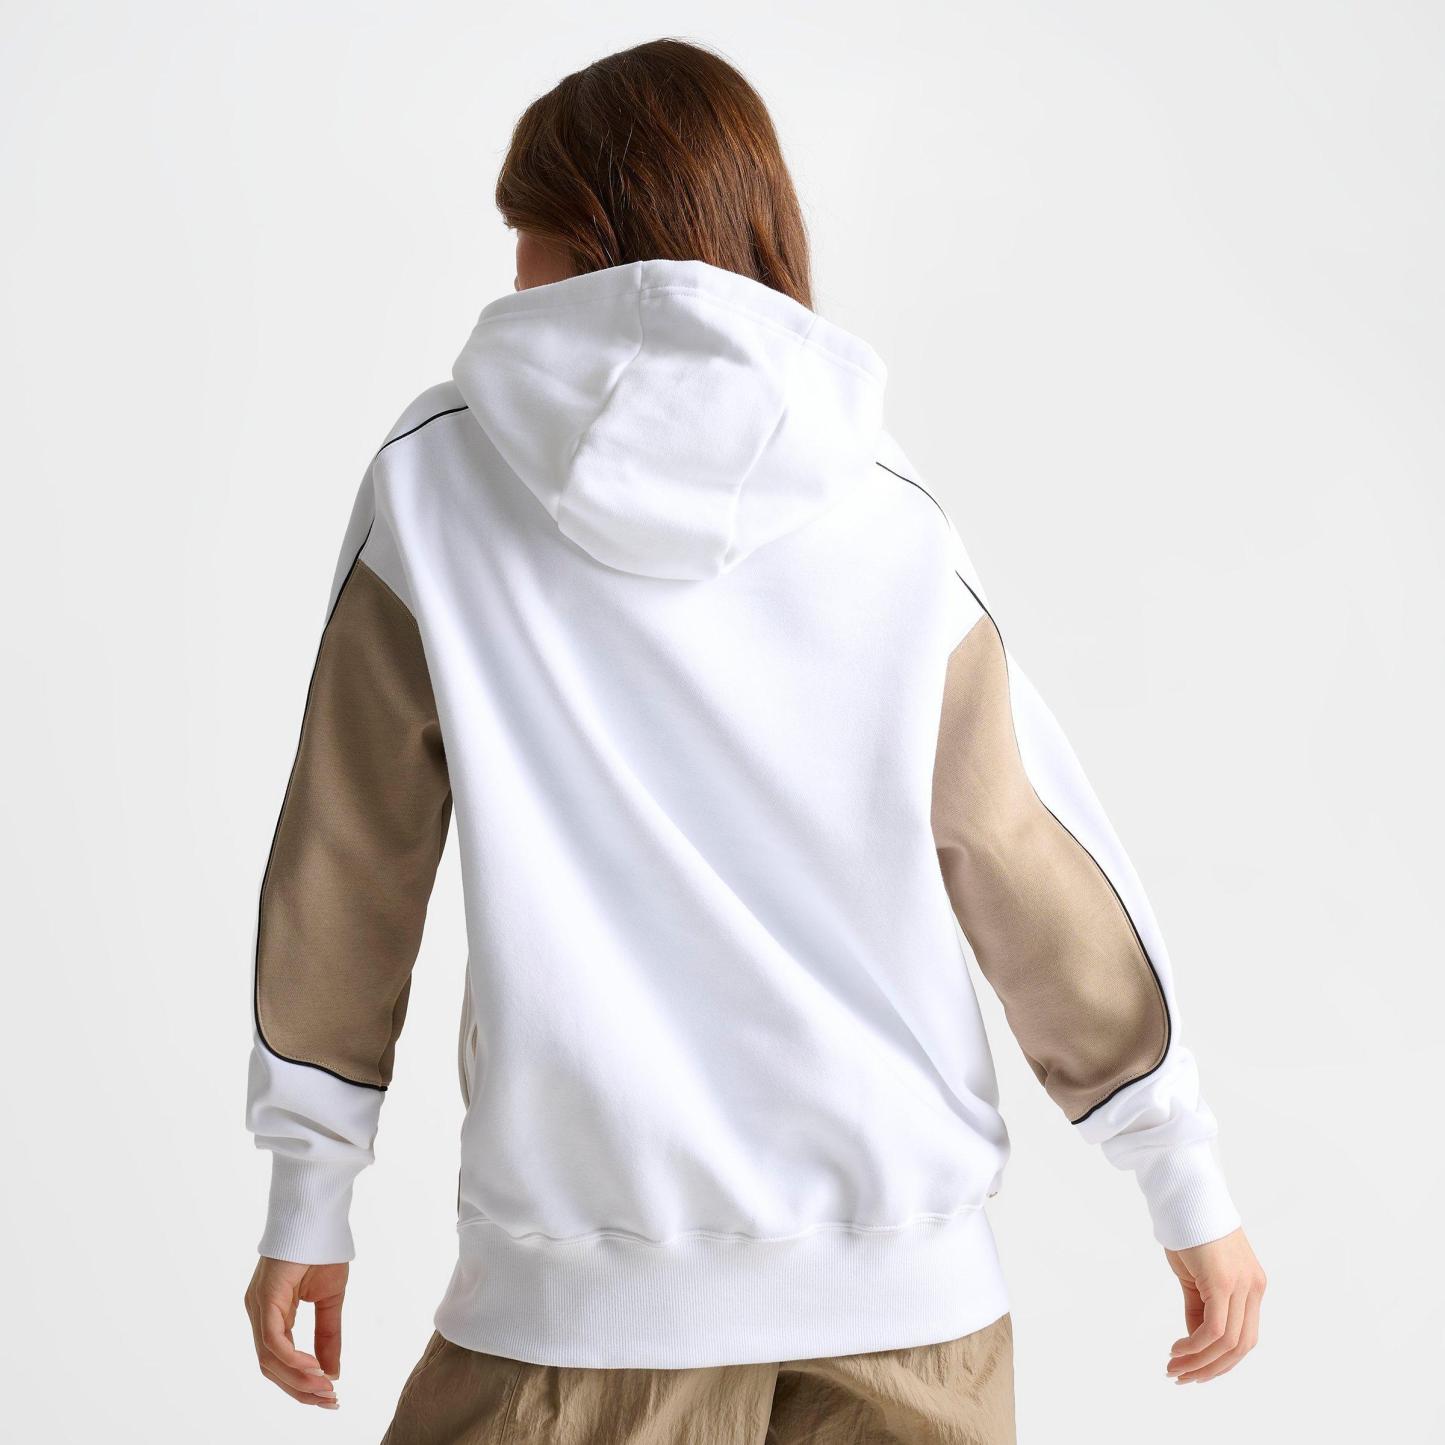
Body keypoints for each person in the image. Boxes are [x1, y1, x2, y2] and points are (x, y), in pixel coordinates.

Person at [241, 38, 1265, 1443]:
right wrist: (1179, 1174)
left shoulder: (437, 478)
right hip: (907, 1316)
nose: (514, 274)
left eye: (528, 230)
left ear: (587, 233)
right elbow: (1018, 847)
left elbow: (350, 857)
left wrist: (311, 1189)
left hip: (577, 1311)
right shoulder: (883, 500)